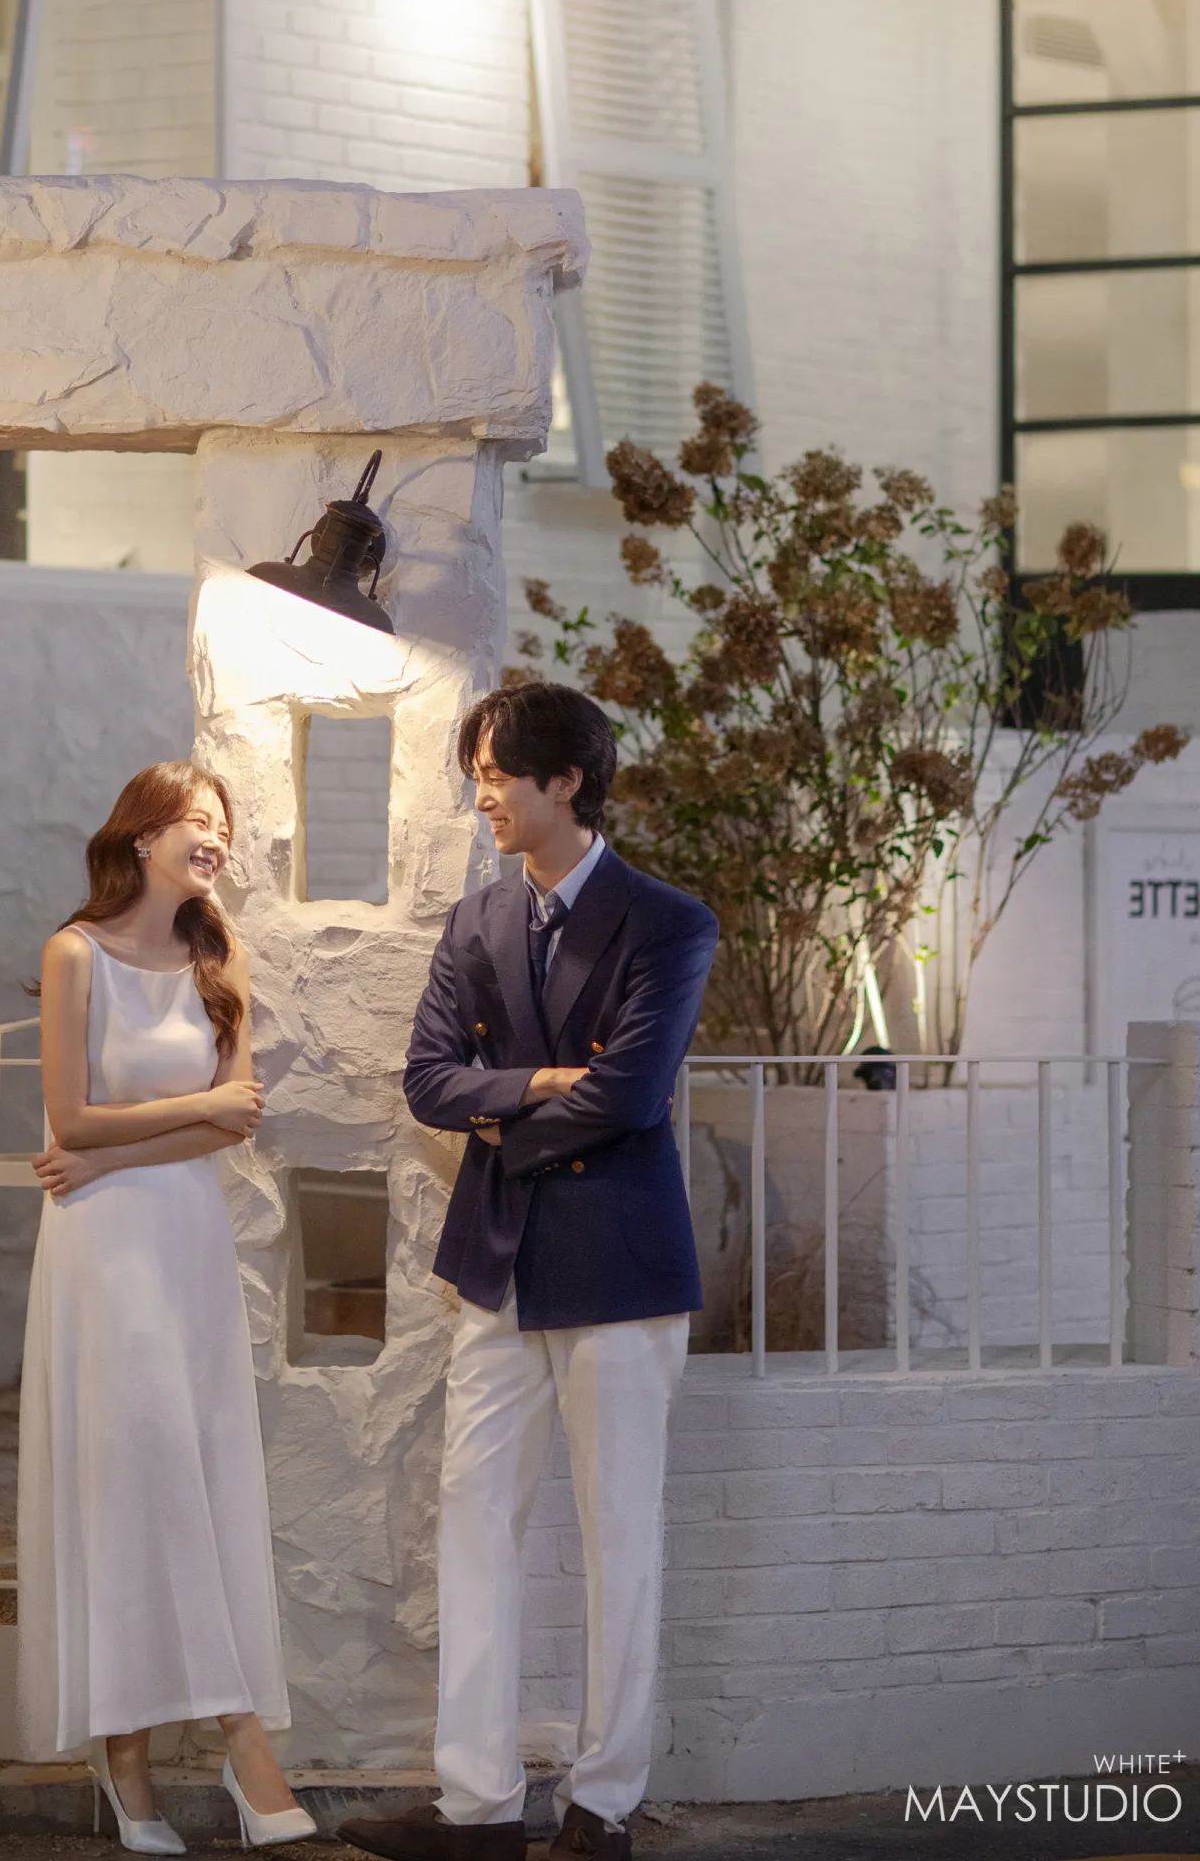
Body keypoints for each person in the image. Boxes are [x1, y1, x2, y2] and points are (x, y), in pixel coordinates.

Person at [340, 684, 717, 1861]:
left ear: (567, 781)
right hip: (499, 1266)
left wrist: (506, 1112)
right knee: (472, 1523)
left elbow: (631, 1096)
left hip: (622, 1268)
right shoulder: (477, 921)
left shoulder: (669, 923)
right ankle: (478, 1806)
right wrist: (544, 1083)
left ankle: (603, 1803)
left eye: (500, 775)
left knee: (620, 1541)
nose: (483, 797)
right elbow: (428, 1082)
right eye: (477, 776)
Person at [17, 761, 316, 1855]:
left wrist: (113, 1152)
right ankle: (171, 1748)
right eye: (197, 819)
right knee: (128, 1478)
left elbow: (236, 1122)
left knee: (195, 1469)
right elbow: (69, 1118)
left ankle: (195, 1744)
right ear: (141, 837)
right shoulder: (74, 953)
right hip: (105, 1253)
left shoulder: (219, 955)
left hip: (183, 1236)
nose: (217, 837)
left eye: (223, 823)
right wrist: (162, 1121)